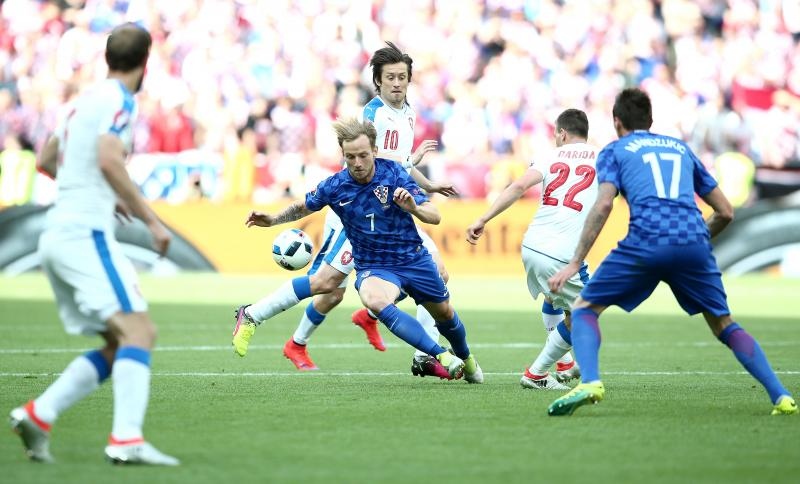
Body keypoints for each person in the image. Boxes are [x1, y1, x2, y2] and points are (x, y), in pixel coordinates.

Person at [547, 88, 797, 417]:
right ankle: (781, 397)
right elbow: (725, 212)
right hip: (692, 240)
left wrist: (575, 262)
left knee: (584, 309)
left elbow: (604, 203)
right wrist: (693, 241)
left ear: (617, 122)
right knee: (725, 324)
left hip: (645, 241)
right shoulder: (681, 149)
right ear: (651, 121)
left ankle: (591, 382)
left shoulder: (616, 150)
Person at [9, 24, 180, 465]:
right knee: (141, 332)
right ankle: (126, 440)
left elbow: (47, 159)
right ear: (145, 64)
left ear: (108, 58)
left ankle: (39, 413)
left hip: (56, 234)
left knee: (118, 341)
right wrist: (150, 219)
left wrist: (97, 190)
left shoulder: (82, 102)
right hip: (85, 235)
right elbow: (108, 157)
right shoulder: (121, 101)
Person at [236, 42, 458, 381]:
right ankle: (253, 315)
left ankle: (415, 351)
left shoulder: (408, 113)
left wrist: (426, 186)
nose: (397, 83)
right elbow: (364, 165)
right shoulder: (373, 115)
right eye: (390, 78)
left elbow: (397, 166)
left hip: (389, 213)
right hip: (360, 214)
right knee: (327, 283)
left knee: (435, 274)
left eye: (402, 77)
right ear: (378, 82)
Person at [466, 108, 597, 391]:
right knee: (585, 313)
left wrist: (484, 218)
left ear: (562, 133)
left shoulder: (550, 155)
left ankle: (563, 364)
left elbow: (519, 186)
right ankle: (537, 374)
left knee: (555, 297)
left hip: (533, 245)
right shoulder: (602, 158)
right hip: (564, 253)